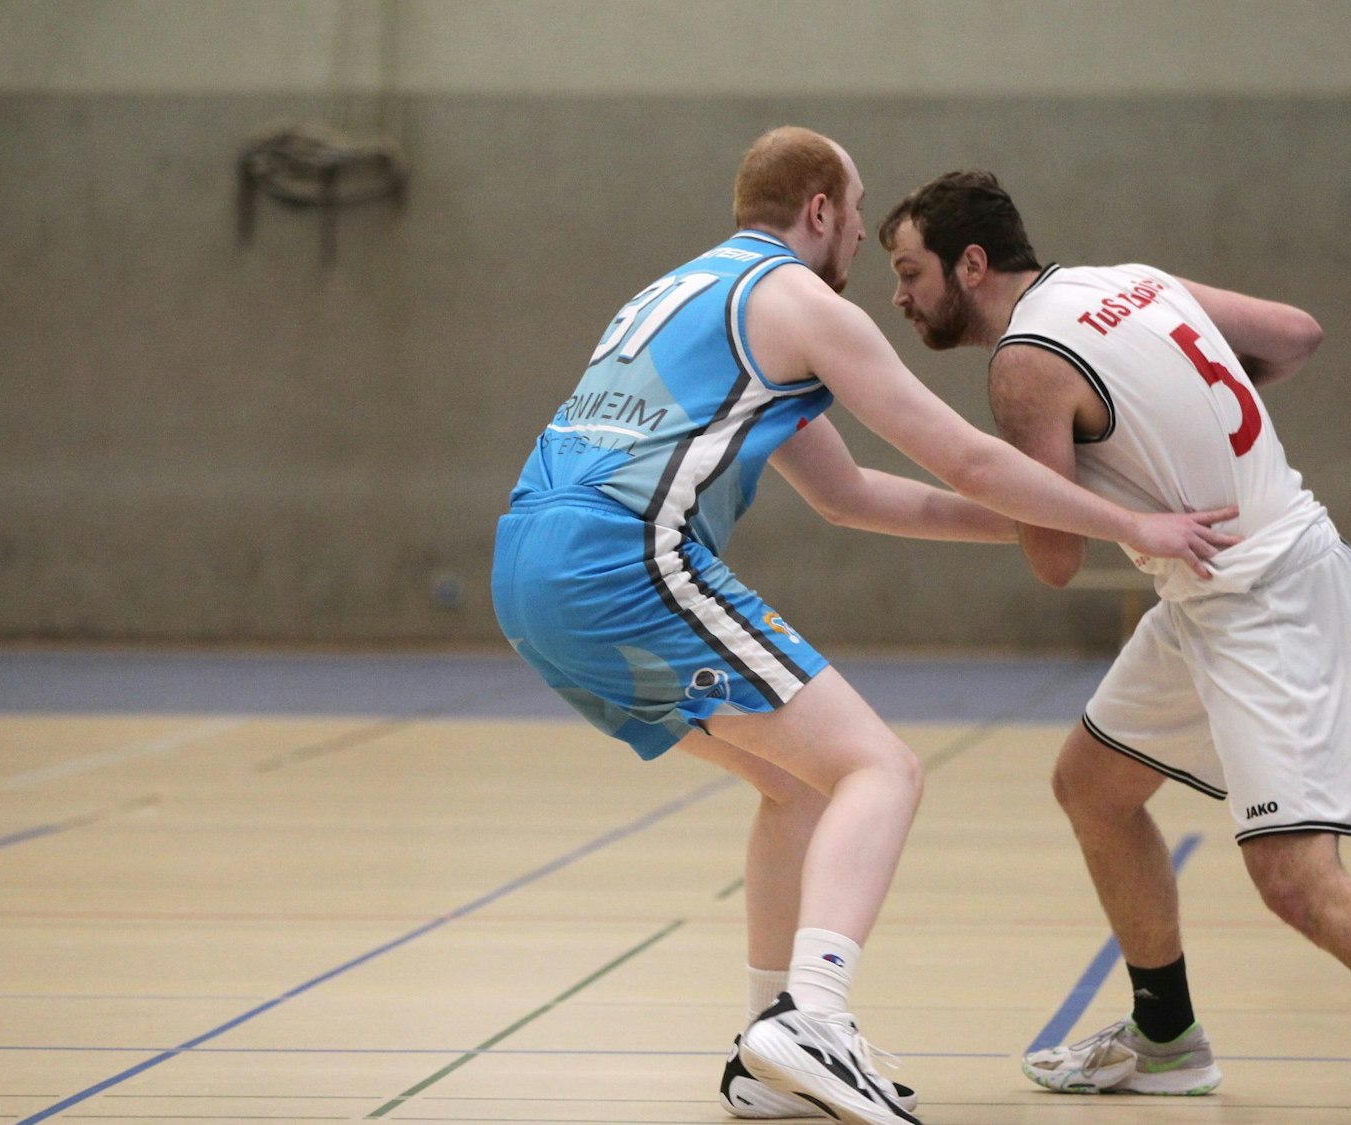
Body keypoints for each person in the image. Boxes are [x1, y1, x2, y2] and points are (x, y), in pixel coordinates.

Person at [489, 126, 1239, 1125]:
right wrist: (1126, 520)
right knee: (881, 769)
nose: (858, 241)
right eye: (855, 212)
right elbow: (961, 459)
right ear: (819, 212)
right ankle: (814, 1017)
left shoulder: (686, 295)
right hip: (615, 557)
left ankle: (767, 1050)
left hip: (526, 567)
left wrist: (1047, 522)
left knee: (801, 786)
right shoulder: (798, 301)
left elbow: (850, 496)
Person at [879, 170, 1351, 1125]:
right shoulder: (1127, 280)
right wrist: (1171, 425)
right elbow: (1296, 333)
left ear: (971, 264)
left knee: (1299, 883)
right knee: (1092, 785)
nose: (897, 297)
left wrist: (966, 484)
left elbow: (1053, 557)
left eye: (909, 271)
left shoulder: (1023, 364)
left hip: (1267, 600)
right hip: (1213, 590)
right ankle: (1166, 1037)